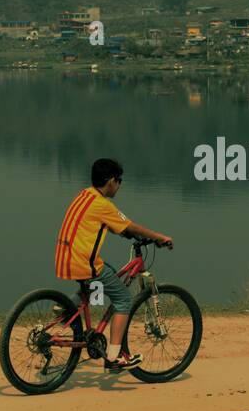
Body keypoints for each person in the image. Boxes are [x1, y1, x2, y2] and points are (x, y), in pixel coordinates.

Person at [54, 158, 172, 373]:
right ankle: (114, 357)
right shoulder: (103, 205)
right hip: (83, 263)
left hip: (65, 258)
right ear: (110, 181)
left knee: (103, 275)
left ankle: (66, 312)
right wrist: (159, 237)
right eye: (119, 181)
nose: (119, 185)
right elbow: (129, 225)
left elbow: (108, 226)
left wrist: (126, 233)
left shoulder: (85, 195)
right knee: (123, 299)